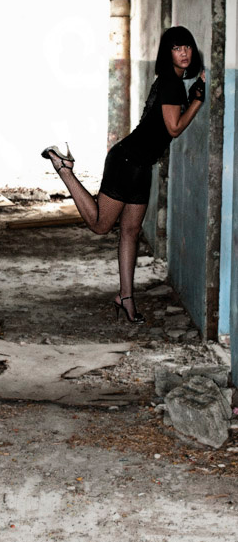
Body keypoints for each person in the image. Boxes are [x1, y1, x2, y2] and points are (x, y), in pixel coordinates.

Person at [42, 25, 205, 323]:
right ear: (167, 53)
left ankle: (126, 297)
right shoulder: (171, 83)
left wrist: (194, 91)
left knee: (130, 232)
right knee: (101, 225)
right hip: (127, 161)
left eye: (187, 47)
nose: (183, 53)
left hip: (141, 164)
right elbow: (174, 129)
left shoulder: (173, 80)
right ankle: (64, 170)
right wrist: (197, 101)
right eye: (176, 48)